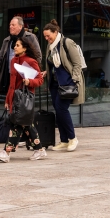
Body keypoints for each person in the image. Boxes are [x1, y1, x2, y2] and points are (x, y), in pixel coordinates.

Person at [0, 38, 46, 162]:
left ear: (25, 48)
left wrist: (29, 82)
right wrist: (8, 99)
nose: (14, 48)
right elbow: (12, 84)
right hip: (14, 97)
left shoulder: (31, 61)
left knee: (17, 124)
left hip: (24, 99)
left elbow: (40, 80)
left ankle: (6, 152)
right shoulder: (13, 61)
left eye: (17, 45)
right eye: (14, 45)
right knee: (27, 124)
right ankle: (39, 150)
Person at [41, 20, 84, 151]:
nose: (47, 38)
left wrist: (75, 80)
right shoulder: (50, 46)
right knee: (58, 110)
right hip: (55, 83)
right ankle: (64, 140)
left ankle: (72, 138)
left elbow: (77, 64)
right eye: (45, 37)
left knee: (61, 109)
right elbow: (52, 64)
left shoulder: (67, 43)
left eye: (49, 36)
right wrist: (46, 72)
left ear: (56, 32)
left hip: (67, 83)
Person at [0, 16, 42, 94]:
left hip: (23, 78)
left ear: (20, 26)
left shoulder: (30, 37)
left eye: (13, 25)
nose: (10, 27)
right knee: (9, 99)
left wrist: (30, 72)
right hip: (9, 75)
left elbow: (38, 56)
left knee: (22, 101)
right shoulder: (7, 40)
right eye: (10, 25)